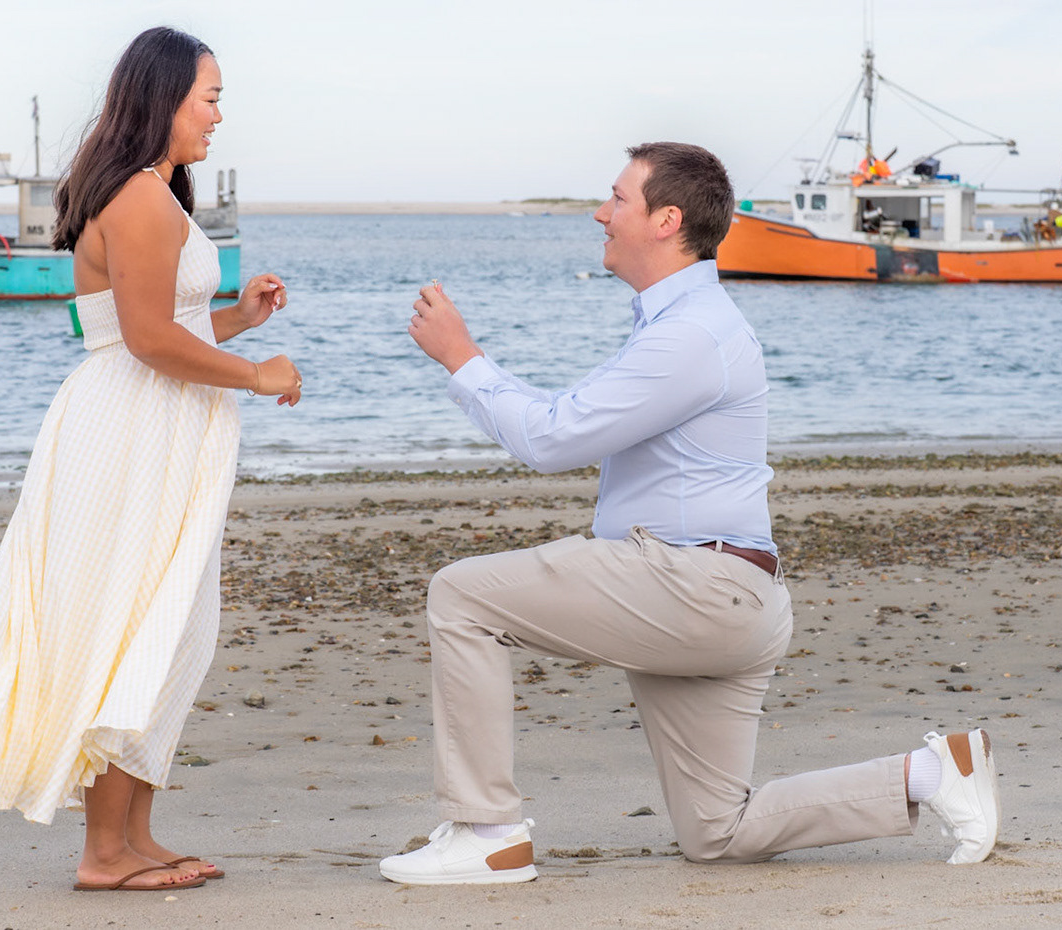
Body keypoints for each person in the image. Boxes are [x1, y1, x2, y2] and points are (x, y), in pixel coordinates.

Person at [384, 142, 999, 886]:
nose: (601, 213)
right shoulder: (684, 325)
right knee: (718, 832)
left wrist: (463, 359)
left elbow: (550, 439)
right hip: (728, 596)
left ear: (666, 220)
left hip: (694, 587)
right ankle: (933, 774)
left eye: (617, 199)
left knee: (461, 595)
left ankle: (487, 834)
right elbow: (564, 418)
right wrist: (473, 365)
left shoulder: (691, 334)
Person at [0, 26, 302, 892]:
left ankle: (133, 837)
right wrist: (256, 374)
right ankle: (103, 853)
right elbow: (147, 341)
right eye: (209, 98)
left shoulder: (152, 191)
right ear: (165, 98)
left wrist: (237, 321)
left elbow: (146, 325)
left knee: (170, 625)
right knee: (133, 621)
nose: (218, 116)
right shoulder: (142, 199)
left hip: (151, 420)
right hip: (134, 428)